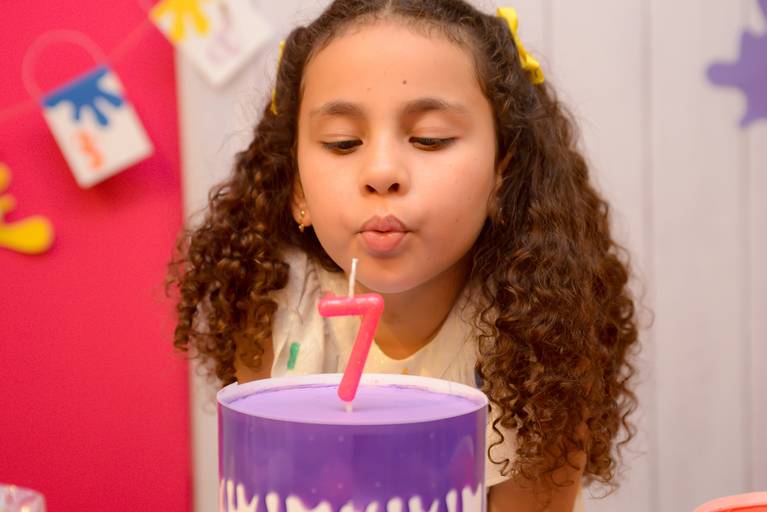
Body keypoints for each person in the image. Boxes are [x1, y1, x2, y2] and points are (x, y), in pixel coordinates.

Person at [169, 1, 640, 510]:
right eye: (343, 143)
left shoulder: (541, 346)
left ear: (502, 174)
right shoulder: (270, 306)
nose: (382, 172)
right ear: (297, 188)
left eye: (429, 139)